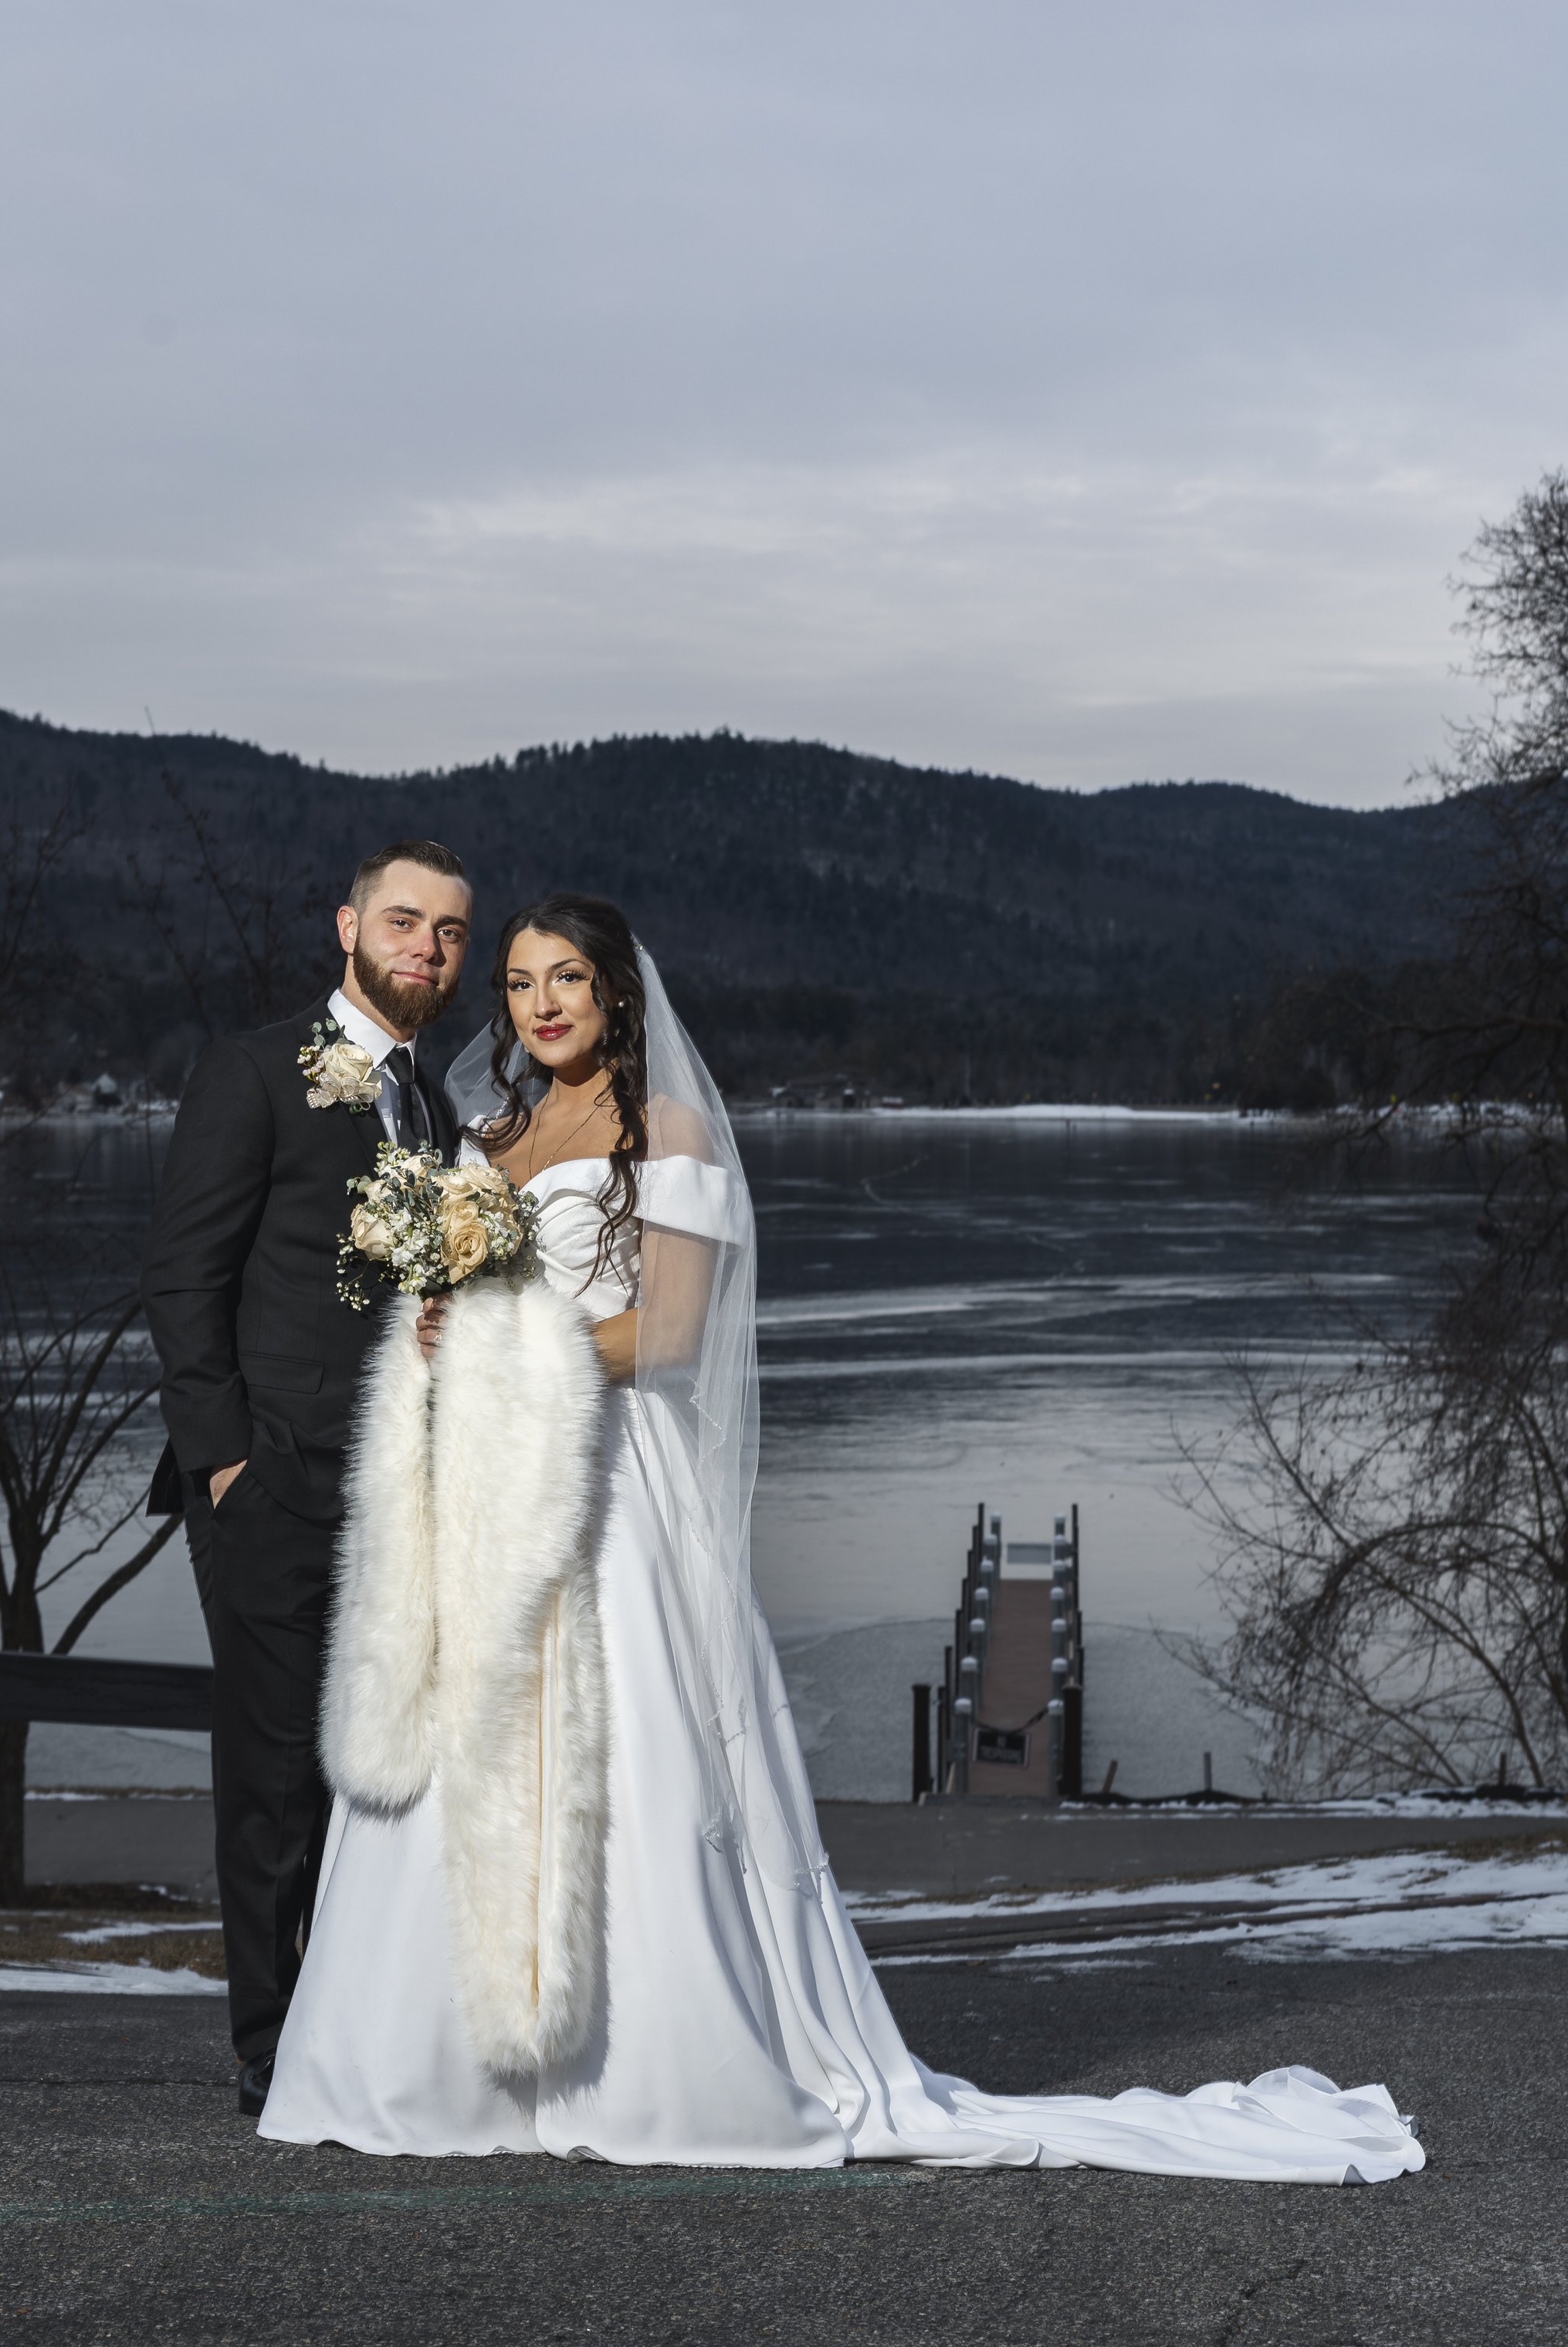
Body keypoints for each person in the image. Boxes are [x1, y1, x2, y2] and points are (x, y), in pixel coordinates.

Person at [259, 896, 1424, 2183]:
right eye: (524, 980)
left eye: (570, 978)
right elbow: (460, 1296)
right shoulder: (492, 1131)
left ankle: (643, 2062)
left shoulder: (675, 1132)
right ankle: (435, 2062)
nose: (542, 1004)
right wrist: (443, 1324)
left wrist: (507, 1347)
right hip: (492, 1481)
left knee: (636, 1749)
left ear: (616, 996)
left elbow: (671, 1333)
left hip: (609, 1476)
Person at [141, 842, 469, 2115]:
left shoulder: (430, 1104)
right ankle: (273, 2049)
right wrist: (227, 1464)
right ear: (346, 924)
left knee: (371, 1772)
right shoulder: (254, 1073)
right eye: (404, 921)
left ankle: (350, 2022)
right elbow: (183, 1279)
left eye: (446, 934)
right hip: (269, 1486)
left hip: (392, 1493)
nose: (425, 949)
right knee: (275, 1774)